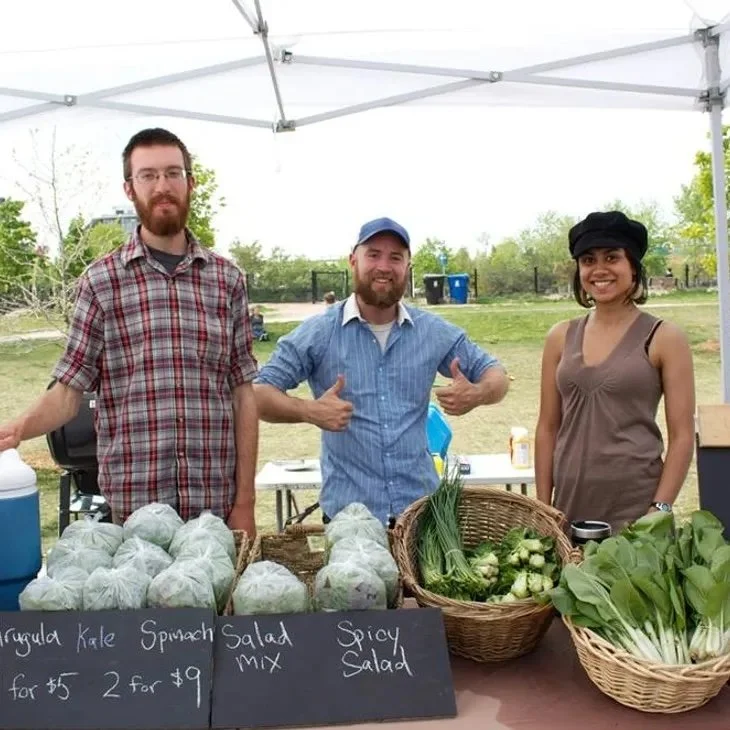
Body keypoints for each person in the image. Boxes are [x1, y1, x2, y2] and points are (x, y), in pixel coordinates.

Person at [0, 128, 259, 536]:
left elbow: (244, 396)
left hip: (217, 509)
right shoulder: (101, 282)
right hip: (136, 514)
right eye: (148, 175)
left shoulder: (227, 280)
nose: (162, 186)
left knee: (216, 603)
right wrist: (16, 429)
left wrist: (245, 503)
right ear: (129, 187)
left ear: (190, 183)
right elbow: (68, 391)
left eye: (173, 173)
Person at [254, 216, 509, 525]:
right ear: (353, 260)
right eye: (373, 254)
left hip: (422, 518)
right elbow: (258, 394)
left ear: (407, 267)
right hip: (349, 521)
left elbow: (496, 374)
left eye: (395, 257)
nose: (384, 266)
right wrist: (309, 410)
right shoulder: (319, 334)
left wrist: (479, 392)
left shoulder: (433, 332)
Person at [535, 211, 695, 533]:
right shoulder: (559, 338)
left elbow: (682, 436)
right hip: (569, 508)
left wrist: (659, 509)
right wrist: (543, 509)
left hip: (637, 511)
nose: (599, 270)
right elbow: (547, 427)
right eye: (588, 260)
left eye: (612, 257)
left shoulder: (664, 338)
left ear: (633, 266)